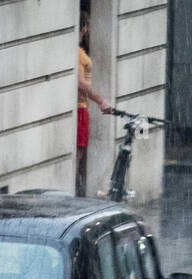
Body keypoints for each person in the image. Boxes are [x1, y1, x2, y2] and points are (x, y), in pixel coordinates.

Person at [77, 10, 112, 197]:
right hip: (80, 107)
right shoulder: (78, 53)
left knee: (80, 152)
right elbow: (81, 83)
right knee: (78, 153)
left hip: (82, 108)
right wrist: (100, 101)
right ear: (83, 28)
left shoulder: (78, 52)